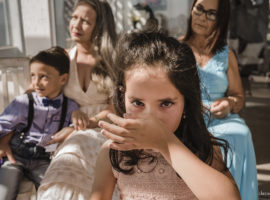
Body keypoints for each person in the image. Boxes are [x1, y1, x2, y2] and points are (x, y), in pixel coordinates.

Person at [90, 31, 240, 200]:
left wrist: (166, 144)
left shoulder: (201, 146)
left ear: (186, 103)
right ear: (122, 96)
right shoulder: (114, 152)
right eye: (138, 103)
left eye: (166, 103)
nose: (151, 118)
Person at [37, 0, 118, 199]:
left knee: (78, 144)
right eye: (74, 17)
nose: (76, 25)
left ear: (98, 26)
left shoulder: (112, 61)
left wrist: (83, 124)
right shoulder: (61, 59)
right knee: (68, 158)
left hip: (103, 130)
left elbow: (115, 110)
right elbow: (34, 96)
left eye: (85, 21)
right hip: (67, 132)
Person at [182, 0, 258, 199]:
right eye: (199, 9)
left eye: (211, 13)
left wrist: (229, 103)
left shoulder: (226, 54)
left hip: (221, 117)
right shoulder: (176, 49)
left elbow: (238, 97)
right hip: (185, 115)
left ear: (220, 20)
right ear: (192, 9)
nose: (202, 17)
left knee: (240, 133)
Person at [0, 46, 79, 200]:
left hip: (43, 159)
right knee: (4, 193)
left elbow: (75, 127)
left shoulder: (70, 107)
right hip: (17, 155)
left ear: (63, 79)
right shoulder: (24, 102)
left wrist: (72, 127)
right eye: (33, 76)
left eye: (44, 77)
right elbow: (3, 123)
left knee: (54, 193)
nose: (36, 82)